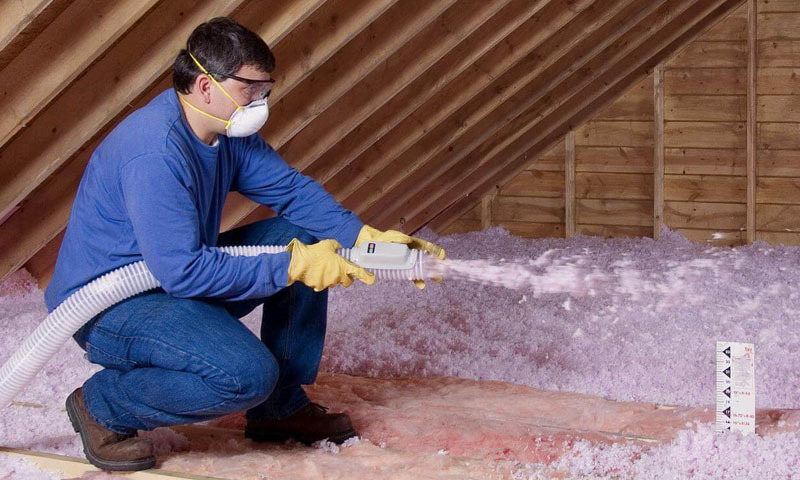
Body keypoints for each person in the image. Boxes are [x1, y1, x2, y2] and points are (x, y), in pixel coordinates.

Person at [44, 17, 445, 472]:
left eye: (265, 90)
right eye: (249, 89)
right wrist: (291, 266)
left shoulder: (224, 132)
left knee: (305, 235)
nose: (260, 103)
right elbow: (185, 271)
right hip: (112, 309)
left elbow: (290, 191)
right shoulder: (154, 153)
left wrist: (362, 238)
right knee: (245, 375)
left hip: (172, 285)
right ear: (204, 85)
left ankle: (281, 407)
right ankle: (103, 405)